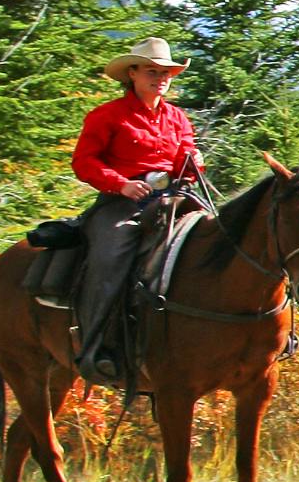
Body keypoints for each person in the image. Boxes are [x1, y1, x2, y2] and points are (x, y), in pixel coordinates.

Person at [68, 37, 208, 381]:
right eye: (151, 71)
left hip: (176, 197)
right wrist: (121, 183)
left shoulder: (177, 117)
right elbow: (84, 162)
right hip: (122, 202)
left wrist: (194, 164)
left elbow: (185, 160)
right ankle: (97, 346)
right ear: (132, 73)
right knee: (109, 255)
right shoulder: (106, 116)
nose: (160, 77)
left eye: (166, 73)